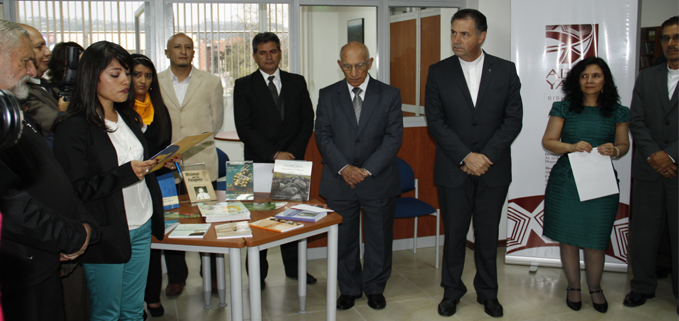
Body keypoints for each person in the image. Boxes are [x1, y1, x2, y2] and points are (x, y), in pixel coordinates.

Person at [52, 41, 171, 320]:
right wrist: (127, 173)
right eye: (115, 75)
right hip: (107, 231)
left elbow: (134, 161)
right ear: (92, 77)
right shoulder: (74, 127)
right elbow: (75, 189)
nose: (127, 81)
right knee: (107, 313)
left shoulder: (127, 115)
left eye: (127, 74)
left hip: (141, 223)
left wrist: (155, 162)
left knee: (132, 310)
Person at [424, 9, 523, 318]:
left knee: (487, 234)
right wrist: (466, 156)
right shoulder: (439, 72)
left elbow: (513, 120)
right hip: (454, 169)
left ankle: (488, 292)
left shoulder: (505, 70)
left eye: (464, 34)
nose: (456, 39)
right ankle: (452, 291)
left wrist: (485, 157)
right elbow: (436, 122)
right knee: (454, 234)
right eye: (453, 32)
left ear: (481, 36)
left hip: (493, 170)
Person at [0, 19, 95, 321]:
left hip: (43, 259)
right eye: (26, 59)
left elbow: (49, 175)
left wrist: (79, 224)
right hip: (21, 267)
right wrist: (71, 235)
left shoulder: (12, 111)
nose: (32, 70)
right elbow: (12, 207)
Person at [315, 41, 403, 311]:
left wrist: (366, 170)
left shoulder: (389, 94)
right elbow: (323, 135)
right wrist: (345, 168)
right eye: (348, 66)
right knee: (344, 239)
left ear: (370, 62)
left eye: (360, 65)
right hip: (339, 179)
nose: (354, 72)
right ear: (340, 65)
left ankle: (375, 287)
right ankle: (350, 288)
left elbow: (393, 137)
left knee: (379, 238)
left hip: (377, 179)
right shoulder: (328, 95)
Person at [541, 57, 630, 314]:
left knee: (596, 239)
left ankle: (595, 288)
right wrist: (570, 146)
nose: (589, 81)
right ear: (576, 80)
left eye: (596, 76)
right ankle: (573, 287)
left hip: (601, 182)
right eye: (584, 76)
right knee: (568, 239)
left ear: (605, 81)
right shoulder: (564, 107)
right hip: (567, 181)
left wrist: (615, 149)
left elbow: (624, 146)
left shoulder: (618, 111)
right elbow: (549, 141)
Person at [233, 32, 316, 287]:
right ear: (255, 55)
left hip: (293, 161)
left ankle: (295, 269)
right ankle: (257, 275)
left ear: (280, 52)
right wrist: (273, 153)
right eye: (262, 52)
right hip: (259, 162)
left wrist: (290, 153)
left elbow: (307, 120)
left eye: (273, 51)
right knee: (257, 220)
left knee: (292, 219)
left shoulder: (297, 81)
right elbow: (244, 128)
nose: (268, 57)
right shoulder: (243, 85)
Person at [157, 32, 224, 296]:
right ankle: (176, 276)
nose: (183, 51)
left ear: (193, 53)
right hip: (166, 165)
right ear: (167, 52)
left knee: (207, 221)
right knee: (173, 221)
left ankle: (212, 275)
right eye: (177, 47)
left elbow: (216, 122)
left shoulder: (210, 81)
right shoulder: (156, 82)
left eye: (188, 47)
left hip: (201, 164)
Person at [625, 15, 678, 308]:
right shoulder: (648, 76)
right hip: (648, 169)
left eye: (677, 37)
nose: (672, 44)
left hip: (676, 168)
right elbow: (637, 120)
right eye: (667, 38)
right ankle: (643, 286)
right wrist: (654, 154)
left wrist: (670, 155)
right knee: (644, 233)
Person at [131, 53, 174, 318]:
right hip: (130, 185)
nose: (143, 81)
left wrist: (165, 159)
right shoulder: (120, 108)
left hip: (155, 182)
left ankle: (153, 297)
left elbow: (162, 143)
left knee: (153, 240)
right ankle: (135, 304)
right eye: (137, 74)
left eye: (148, 76)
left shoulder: (158, 106)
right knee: (135, 246)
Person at [18, 24, 64, 136]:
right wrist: (64, 111)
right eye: (39, 47)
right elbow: (53, 125)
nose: (48, 52)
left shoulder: (46, 84)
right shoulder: (21, 92)